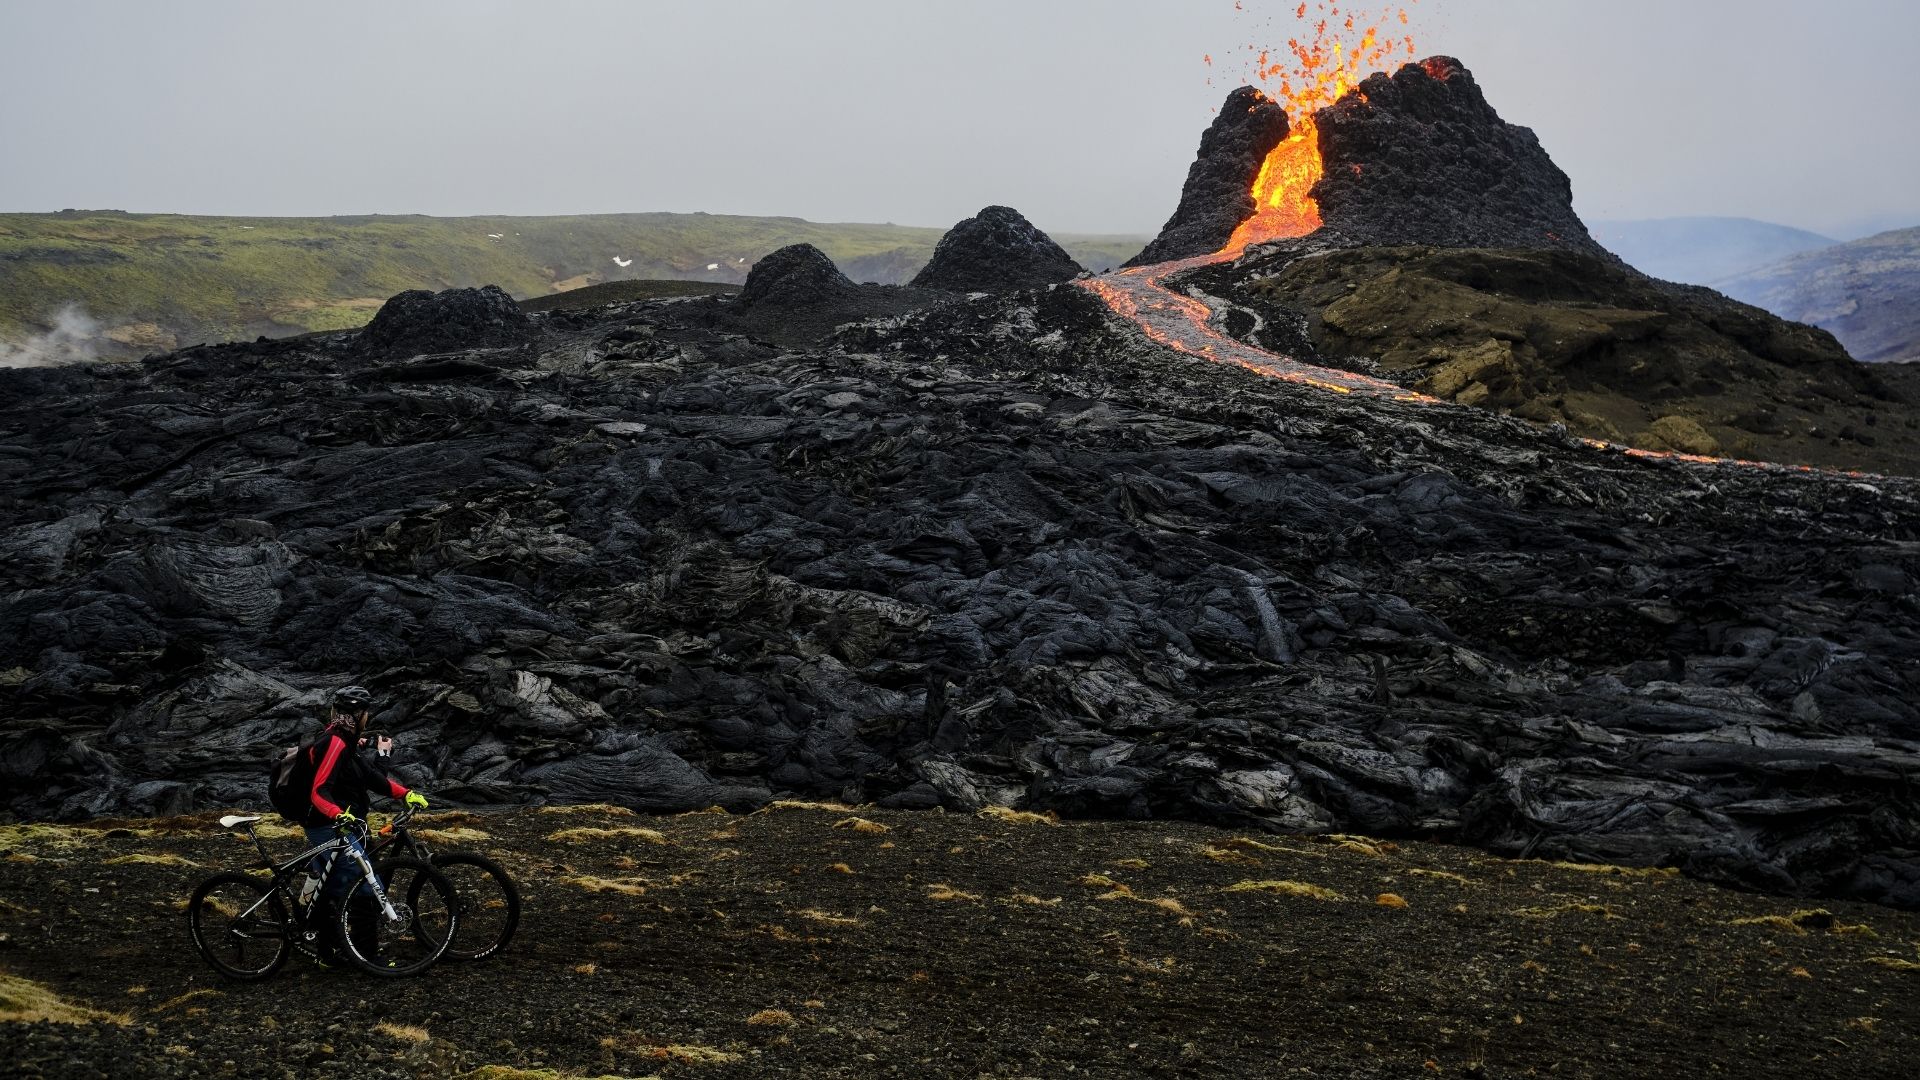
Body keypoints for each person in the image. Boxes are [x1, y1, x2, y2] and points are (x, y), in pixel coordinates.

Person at [302, 685, 428, 965]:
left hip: (344, 824)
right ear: (357, 715)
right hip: (330, 825)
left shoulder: (345, 741)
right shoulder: (335, 742)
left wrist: (404, 793)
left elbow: (371, 777)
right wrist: (337, 815)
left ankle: (328, 949)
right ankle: (366, 957)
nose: (368, 717)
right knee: (362, 886)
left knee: (340, 885)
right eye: (366, 712)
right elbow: (318, 791)